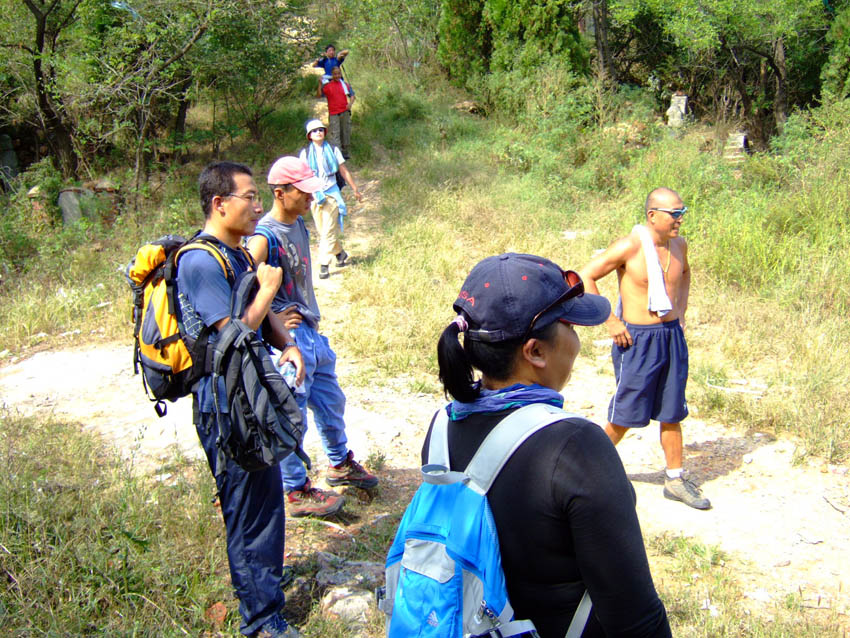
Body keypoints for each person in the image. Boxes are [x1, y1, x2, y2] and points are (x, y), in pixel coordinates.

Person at [425, 253, 671, 638]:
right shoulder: (576, 447)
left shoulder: (441, 426)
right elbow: (636, 617)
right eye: (570, 325)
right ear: (535, 352)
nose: (576, 340)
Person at [177, 161, 306, 638]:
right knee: (247, 507)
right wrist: (269, 290)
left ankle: (264, 584)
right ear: (219, 204)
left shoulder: (237, 254)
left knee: (265, 497)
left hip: (247, 394)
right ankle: (260, 618)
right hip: (222, 403)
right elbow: (231, 337)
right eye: (249, 196)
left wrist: (287, 344)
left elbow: (261, 317)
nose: (257, 205)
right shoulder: (199, 262)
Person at [246, 156, 378, 518]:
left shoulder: (300, 225)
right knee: (292, 413)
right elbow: (240, 286)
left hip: (311, 332)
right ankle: (295, 489)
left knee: (331, 400)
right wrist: (271, 317)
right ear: (279, 193)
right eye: (302, 192)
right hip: (288, 340)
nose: (309, 197)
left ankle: (339, 463)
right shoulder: (264, 237)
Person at [579, 187, 710, 510]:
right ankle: (582, 470)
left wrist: (681, 312)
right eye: (674, 213)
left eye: (682, 212)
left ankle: (675, 479)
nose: (680, 219)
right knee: (626, 412)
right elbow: (586, 276)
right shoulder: (630, 246)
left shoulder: (679, 246)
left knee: (672, 409)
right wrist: (610, 320)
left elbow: (685, 274)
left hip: (670, 336)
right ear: (653, 215)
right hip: (636, 340)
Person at [298, 119, 362, 279]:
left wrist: (355, 188)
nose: (318, 132)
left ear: (324, 132)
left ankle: (324, 265)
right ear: (309, 135)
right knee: (323, 231)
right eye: (314, 131)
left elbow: (343, 170)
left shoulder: (333, 150)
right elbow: (302, 176)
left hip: (332, 194)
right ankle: (340, 253)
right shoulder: (305, 154)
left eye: (320, 129)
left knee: (328, 230)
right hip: (315, 195)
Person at [318, 66, 355, 160]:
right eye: (335, 74)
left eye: (339, 73)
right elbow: (319, 95)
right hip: (334, 114)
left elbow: (352, 95)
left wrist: (350, 104)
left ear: (341, 74)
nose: (337, 75)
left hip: (345, 112)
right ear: (332, 75)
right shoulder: (328, 86)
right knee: (335, 134)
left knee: (345, 132)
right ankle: (337, 155)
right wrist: (320, 84)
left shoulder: (345, 85)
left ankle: (345, 152)